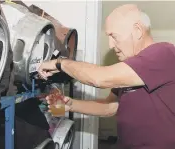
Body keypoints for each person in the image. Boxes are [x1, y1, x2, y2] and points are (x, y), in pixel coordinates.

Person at [38, 4, 175, 149]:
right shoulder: (130, 68)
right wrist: (70, 105)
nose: (110, 45)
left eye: (114, 36)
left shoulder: (163, 53)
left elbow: (99, 78)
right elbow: (110, 106)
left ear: (137, 31)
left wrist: (60, 63)